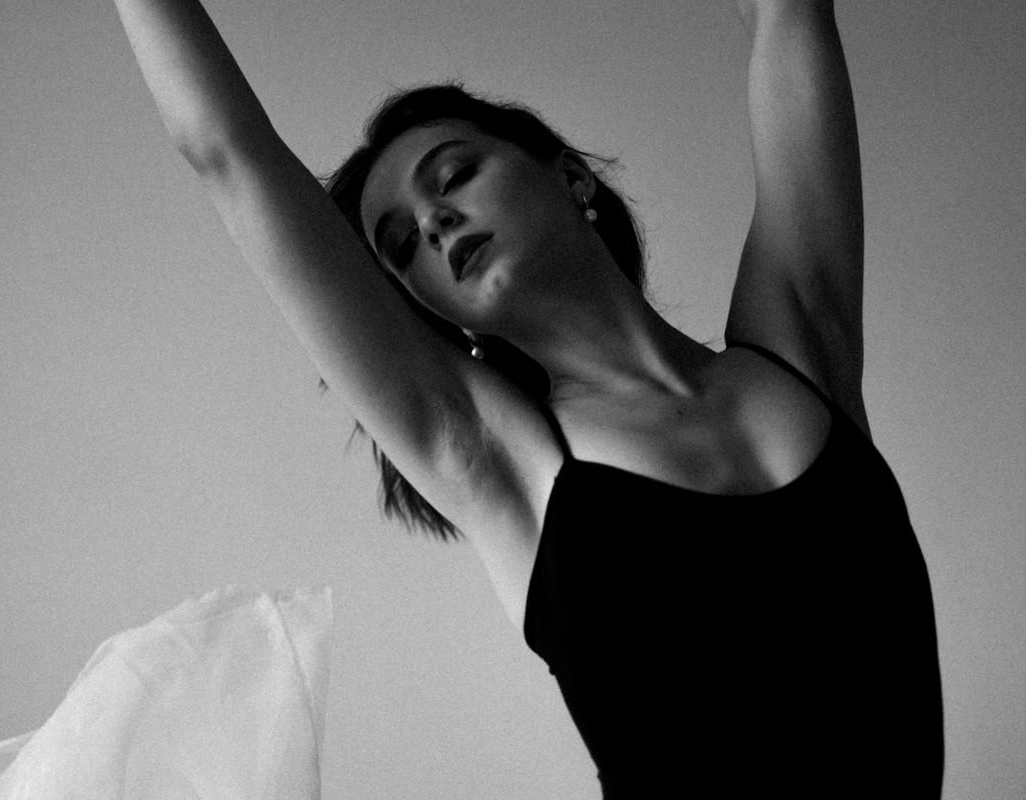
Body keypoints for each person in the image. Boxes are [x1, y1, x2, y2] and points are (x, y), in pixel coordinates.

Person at [110, 0, 944, 796]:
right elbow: (228, 153)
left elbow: (786, 16)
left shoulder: (799, 341)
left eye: (454, 175)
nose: (432, 223)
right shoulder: (498, 459)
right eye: (402, 245)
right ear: (433, 310)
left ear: (570, 176)